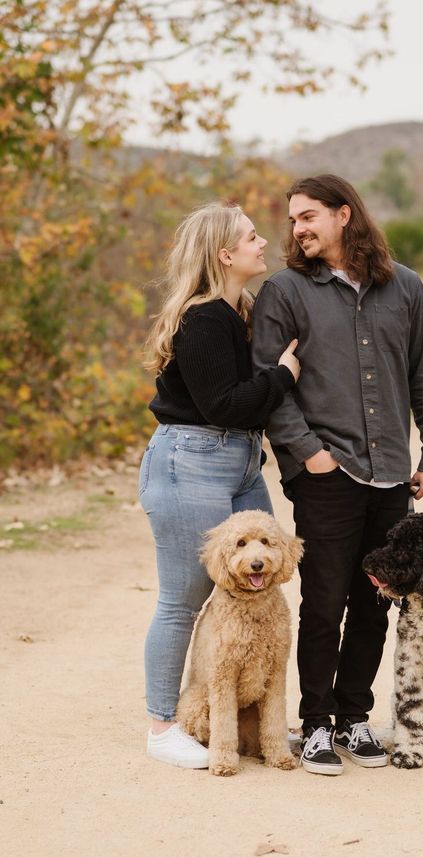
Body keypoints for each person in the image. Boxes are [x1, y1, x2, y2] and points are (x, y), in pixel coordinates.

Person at [252, 174, 423, 776]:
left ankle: (354, 719)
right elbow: (270, 383)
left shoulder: (406, 287)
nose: (299, 228)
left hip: (393, 473)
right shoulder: (283, 291)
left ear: (345, 215)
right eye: (293, 220)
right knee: (323, 602)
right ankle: (315, 726)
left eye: (309, 216)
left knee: (376, 602)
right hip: (325, 474)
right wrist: (309, 452)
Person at [139, 203, 300, 768]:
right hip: (191, 458)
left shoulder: (243, 312)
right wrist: (283, 377)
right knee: (183, 599)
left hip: (240, 461)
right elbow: (224, 404)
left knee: (262, 574)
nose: (264, 243)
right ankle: (163, 727)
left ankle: (259, 723)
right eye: (252, 237)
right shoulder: (204, 317)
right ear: (225, 255)